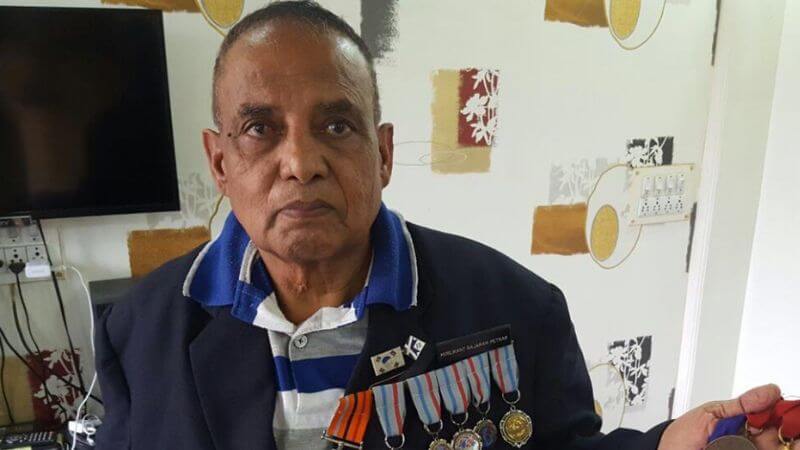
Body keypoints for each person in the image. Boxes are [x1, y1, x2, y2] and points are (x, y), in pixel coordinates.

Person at [95, 2, 786, 449]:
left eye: (337, 125)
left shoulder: (518, 308)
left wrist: (666, 446)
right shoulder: (139, 332)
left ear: (383, 153)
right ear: (220, 162)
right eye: (260, 129)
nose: (300, 163)